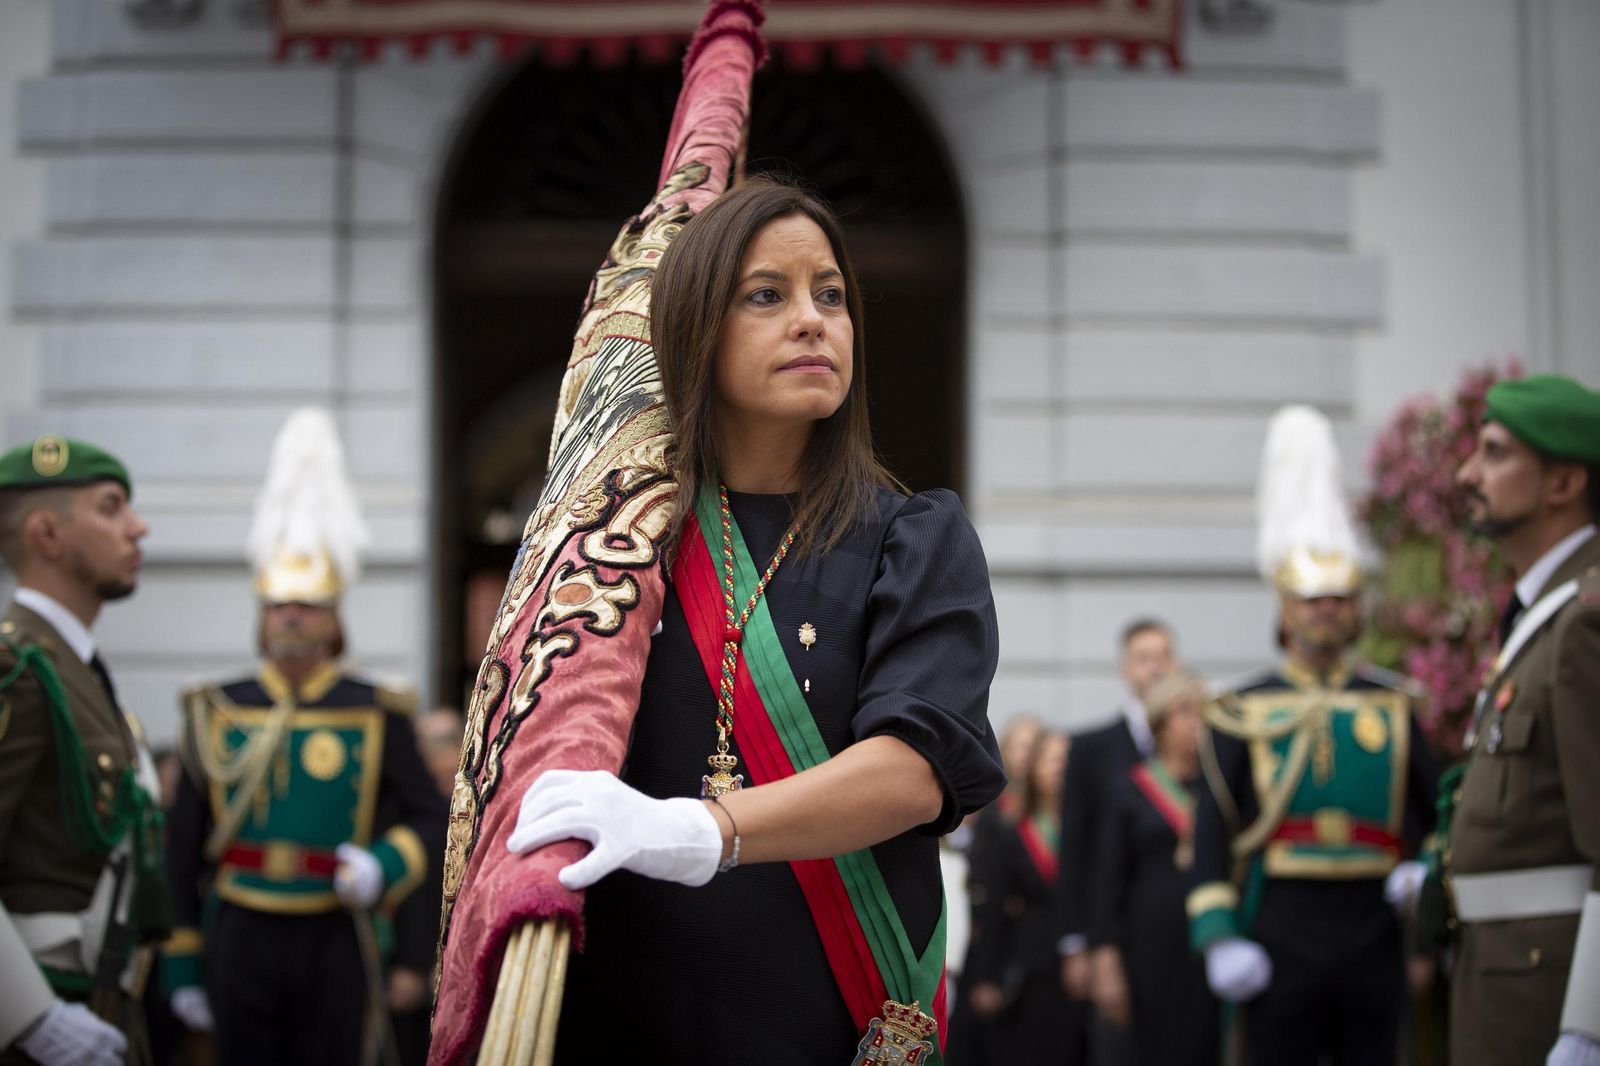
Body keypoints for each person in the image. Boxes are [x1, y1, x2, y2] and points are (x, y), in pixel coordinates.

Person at [502, 177, 1006, 1064]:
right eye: (766, 294)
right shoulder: (616, 544)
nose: (812, 319)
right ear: (697, 328)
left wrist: (702, 830)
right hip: (631, 1003)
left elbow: (915, 771)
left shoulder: (915, 538)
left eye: (832, 295)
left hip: (823, 1011)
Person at [162, 409, 446, 1066]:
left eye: (308, 605)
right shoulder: (217, 707)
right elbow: (181, 851)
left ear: (334, 619)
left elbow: (431, 818)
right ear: (261, 615)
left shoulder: (377, 709)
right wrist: (182, 966)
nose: (292, 616)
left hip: (335, 931)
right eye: (279, 605)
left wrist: (383, 865)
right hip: (238, 929)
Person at [1187, 405, 1439, 1066]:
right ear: (1284, 608)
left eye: (1339, 598)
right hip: (1280, 919)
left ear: (1357, 607)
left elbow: (1435, 810)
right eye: (1311, 599)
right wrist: (1219, 936)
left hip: (1373, 921)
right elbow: (1213, 829)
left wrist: (1423, 875)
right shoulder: (1240, 708)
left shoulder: (1395, 704)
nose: (1326, 610)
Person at [1439, 374, 1600, 1066]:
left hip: (1551, 991)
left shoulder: (1585, 622)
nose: (1468, 472)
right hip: (1509, 979)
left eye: (1495, 453)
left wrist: (1589, 1023)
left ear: (1563, 482)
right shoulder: (1546, 616)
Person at [0, 436, 168, 1066]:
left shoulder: (75, 666)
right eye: (111, 507)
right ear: (48, 533)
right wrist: (31, 1018)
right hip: (43, 1013)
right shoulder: (16, 666)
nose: (137, 527)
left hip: (107, 997)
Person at [1056, 617, 1174, 1065]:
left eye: (1163, 657)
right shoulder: (1091, 748)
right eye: (1144, 659)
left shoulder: (1196, 748)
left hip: (1176, 939)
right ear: (1125, 669)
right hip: (1112, 938)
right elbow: (1076, 851)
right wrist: (1076, 943)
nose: (1155, 669)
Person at [1090, 670, 1217, 1066]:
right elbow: (1108, 878)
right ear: (1161, 722)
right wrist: (1106, 957)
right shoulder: (1131, 789)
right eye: (1185, 711)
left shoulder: (1219, 789)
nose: (1196, 721)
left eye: (1202, 711)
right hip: (1148, 947)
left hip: (1208, 940)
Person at [965, 730, 1075, 1060]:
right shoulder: (1015, 833)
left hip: (1080, 967)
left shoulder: (1088, 830)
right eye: (1051, 759)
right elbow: (994, 910)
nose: (1060, 767)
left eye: (1066, 759)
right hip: (1029, 968)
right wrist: (986, 977)